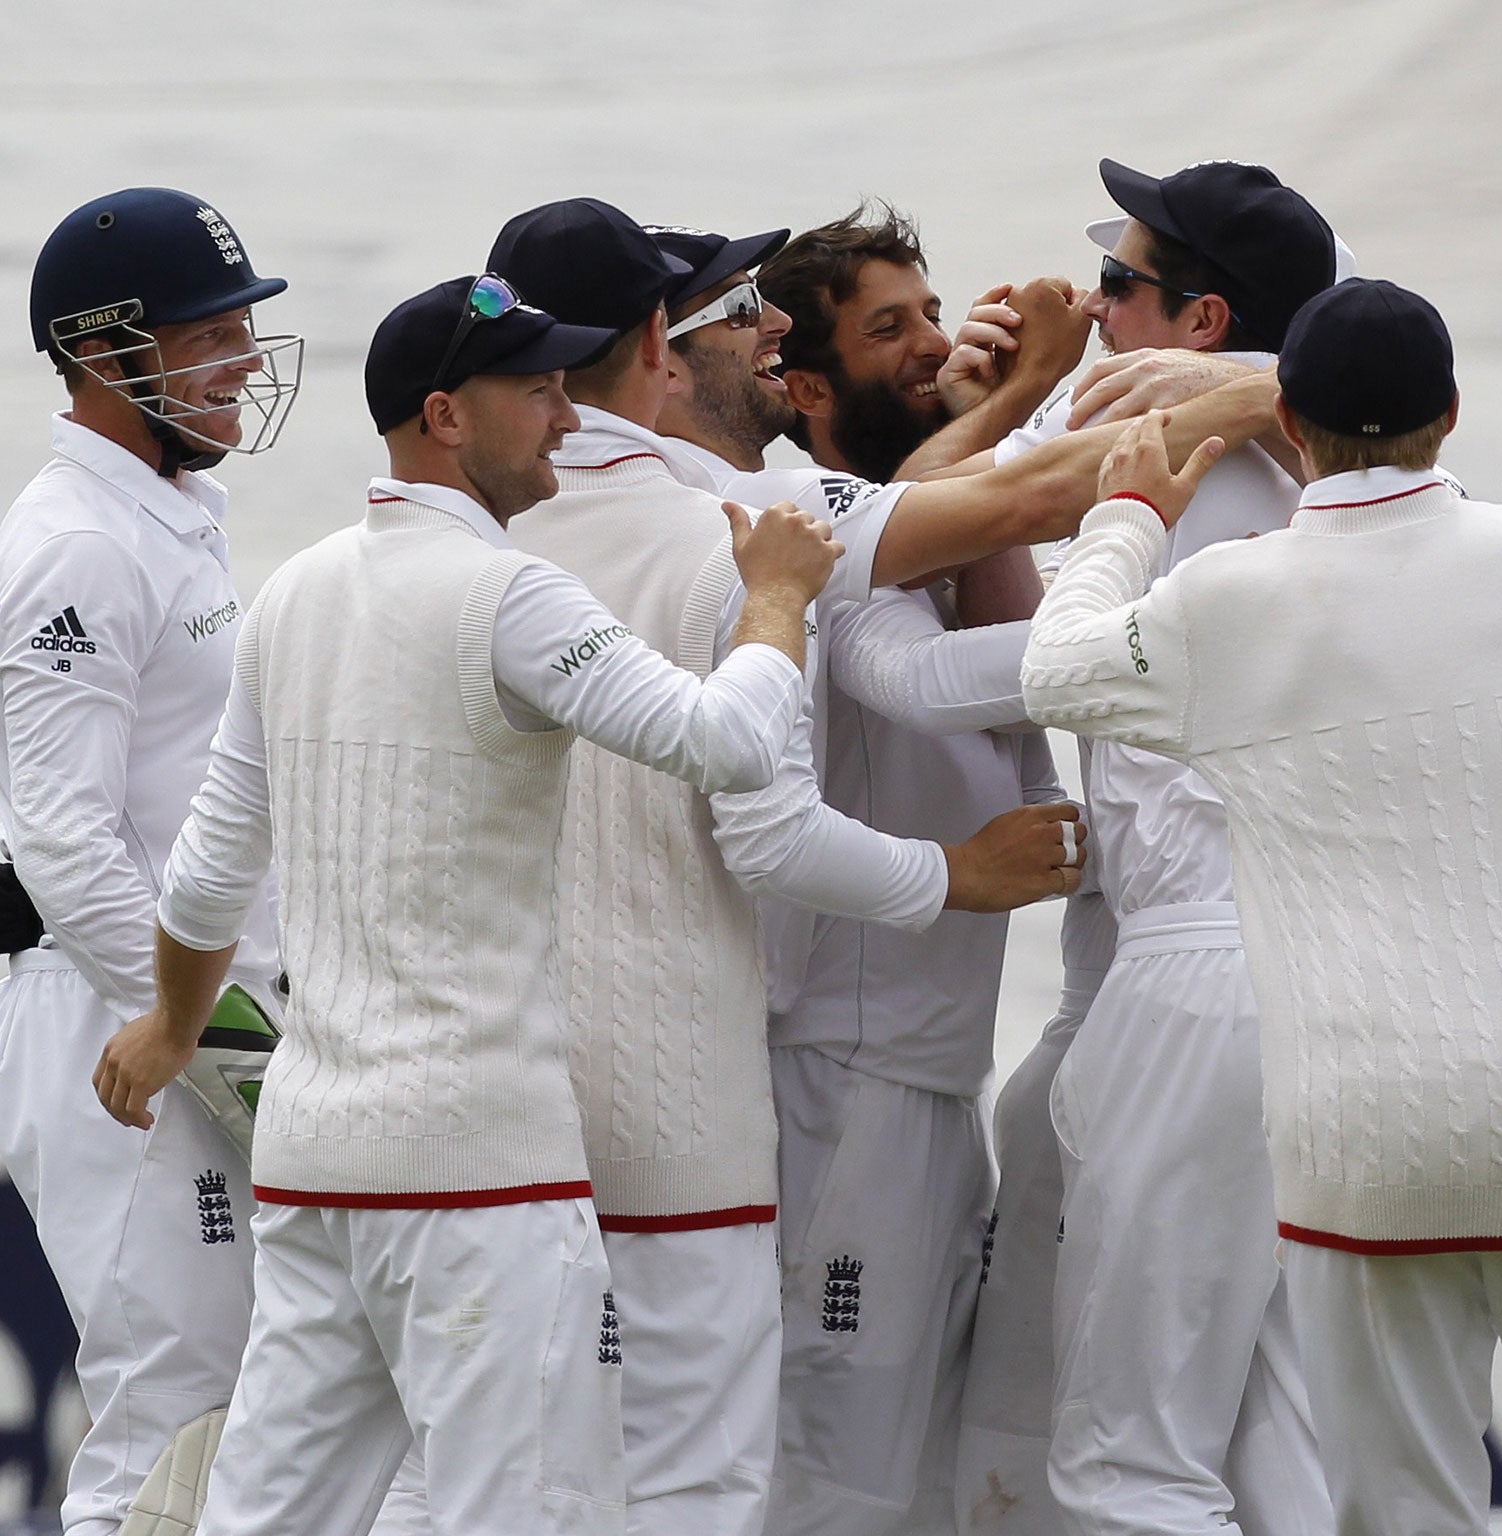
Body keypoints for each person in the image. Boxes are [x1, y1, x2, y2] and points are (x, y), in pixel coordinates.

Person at [89, 274, 841, 1536]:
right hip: (484, 1181)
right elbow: (725, 745)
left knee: (264, 1524)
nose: (564, 415)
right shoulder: (511, 592)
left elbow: (211, 874)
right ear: (444, 415)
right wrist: (775, 598)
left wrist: (172, 1028)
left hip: (320, 1168)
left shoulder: (295, 591)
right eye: (535, 391)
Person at [1024, 276, 1502, 1536]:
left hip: (1359, 1144)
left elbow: (1053, 670)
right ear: (1452, 414)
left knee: (1398, 1519)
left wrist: (1129, 517)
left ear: (1291, 424)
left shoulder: (1225, 599)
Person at [487, 199, 1084, 1536]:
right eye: (733, 310)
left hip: (631, 1065)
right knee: (799, 1481)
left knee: (600, 1471)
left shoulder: (523, 525)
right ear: (654, 343)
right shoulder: (742, 521)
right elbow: (1002, 511)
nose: (760, 329)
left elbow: (948, 510)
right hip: (780, 1069)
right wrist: (1300, 397)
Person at [963, 157, 1342, 1536]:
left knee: (1134, 1463)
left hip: (1194, 977)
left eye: (1117, 283)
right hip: (1337, 978)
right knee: (1283, 1437)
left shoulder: (1120, 412)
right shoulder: (1360, 454)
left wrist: (999, 393)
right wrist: (1271, 388)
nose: (1093, 305)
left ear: (1200, 318)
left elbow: (918, 589)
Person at [0, 187, 302, 1536]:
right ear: (108, 355)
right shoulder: (73, 545)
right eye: (208, 331)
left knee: (246, 1406)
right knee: (167, 1412)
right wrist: (207, 1036)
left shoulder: (173, 512)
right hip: (112, 1025)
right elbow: (58, 832)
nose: (242, 354)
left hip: (180, 1018)